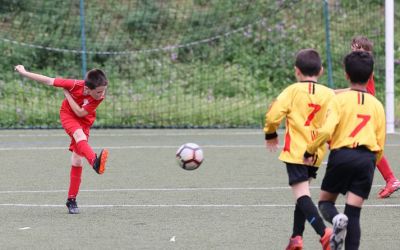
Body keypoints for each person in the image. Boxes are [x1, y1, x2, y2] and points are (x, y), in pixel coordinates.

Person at [303, 51, 386, 250]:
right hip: (367, 159)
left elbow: (325, 130)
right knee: (354, 214)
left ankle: (337, 218)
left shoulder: (339, 100)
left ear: (346, 75)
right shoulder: (377, 105)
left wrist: (310, 150)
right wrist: (372, 162)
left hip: (342, 156)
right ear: (370, 74)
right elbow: (380, 142)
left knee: (325, 203)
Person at [14, 65, 109, 214]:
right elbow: (48, 80)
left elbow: (80, 112)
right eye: (98, 91)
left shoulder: (99, 97)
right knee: (79, 136)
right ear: (88, 88)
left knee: (77, 160)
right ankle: (95, 162)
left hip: (84, 120)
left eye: (103, 90)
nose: (102, 94)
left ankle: (71, 200)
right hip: (68, 116)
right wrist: (25, 73)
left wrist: (67, 95)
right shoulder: (74, 85)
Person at [264, 48, 334, 250]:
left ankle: (324, 233)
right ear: (320, 71)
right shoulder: (328, 94)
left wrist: (270, 133)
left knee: (302, 195)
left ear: (297, 71)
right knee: (303, 193)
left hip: (296, 152)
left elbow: (272, 115)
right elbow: (335, 119)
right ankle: (296, 237)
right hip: (317, 152)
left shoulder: (292, 91)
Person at [335, 36, 400, 198]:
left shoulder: (364, 68)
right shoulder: (359, 67)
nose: (355, 51)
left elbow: (365, 93)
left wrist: (334, 93)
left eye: (359, 49)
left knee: (367, 146)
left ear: (367, 53)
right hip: (360, 109)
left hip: (366, 110)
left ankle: (390, 179)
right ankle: (388, 179)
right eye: (353, 48)